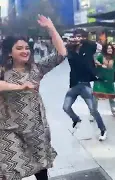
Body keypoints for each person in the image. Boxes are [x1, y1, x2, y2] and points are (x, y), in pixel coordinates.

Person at [0, 15, 67, 180]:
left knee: (41, 167)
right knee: (10, 170)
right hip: (8, 129)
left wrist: (51, 28)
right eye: (19, 48)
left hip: (35, 127)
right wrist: (20, 86)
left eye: (26, 47)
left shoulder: (36, 69)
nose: (25, 51)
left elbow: (61, 53)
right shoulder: (3, 70)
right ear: (9, 53)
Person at [62, 29, 107, 141]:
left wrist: (83, 40)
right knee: (66, 107)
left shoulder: (88, 48)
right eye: (76, 36)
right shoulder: (70, 50)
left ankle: (103, 130)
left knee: (93, 110)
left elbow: (99, 46)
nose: (77, 38)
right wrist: (70, 42)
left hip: (85, 84)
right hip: (73, 84)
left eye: (80, 36)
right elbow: (61, 47)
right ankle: (76, 119)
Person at [93, 43, 115, 117]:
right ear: (105, 49)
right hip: (100, 79)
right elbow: (94, 62)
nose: (110, 50)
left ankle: (114, 110)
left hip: (109, 80)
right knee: (95, 96)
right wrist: (99, 64)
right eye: (108, 48)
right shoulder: (101, 56)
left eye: (111, 48)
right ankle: (93, 112)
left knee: (111, 97)